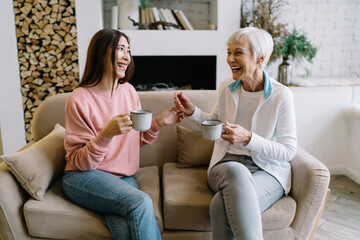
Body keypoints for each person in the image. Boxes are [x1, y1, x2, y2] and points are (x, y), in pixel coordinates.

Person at [174, 27, 297, 240]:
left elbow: (288, 151)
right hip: (225, 165)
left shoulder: (281, 95)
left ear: (260, 57)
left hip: (267, 171)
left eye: (238, 52)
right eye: (228, 52)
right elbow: (213, 124)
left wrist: (249, 139)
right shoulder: (227, 87)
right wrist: (192, 112)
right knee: (237, 172)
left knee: (220, 205)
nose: (230, 59)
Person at [61, 28, 184, 240]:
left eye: (128, 50)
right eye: (120, 48)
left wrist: (159, 123)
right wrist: (105, 135)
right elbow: (81, 162)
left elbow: (136, 140)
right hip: (82, 176)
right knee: (141, 201)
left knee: (127, 230)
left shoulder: (128, 91)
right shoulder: (79, 99)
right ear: (101, 53)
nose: (127, 56)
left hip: (122, 177)